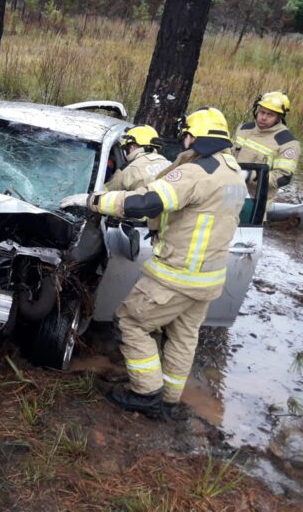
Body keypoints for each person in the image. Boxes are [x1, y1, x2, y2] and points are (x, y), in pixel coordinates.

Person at [71, 108, 246, 420]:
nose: (184, 141)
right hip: (208, 279)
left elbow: (145, 203)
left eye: (187, 135)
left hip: (176, 276)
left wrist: (93, 202)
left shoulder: (195, 172)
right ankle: (168, 398)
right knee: (182, 336)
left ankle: (146, 392)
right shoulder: (233, 172)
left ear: (195, 136)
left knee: (131, 322)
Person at [233, 91, 299, 207]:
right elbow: (229, 154)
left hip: (256, 200)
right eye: (262, 112)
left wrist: (249, 176)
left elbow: (283, 177)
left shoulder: (287, 143)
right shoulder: (244, 129)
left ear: (279, 117)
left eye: (270, 115)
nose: (264, 118)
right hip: (230, 191)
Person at [105, 125, 171, 192]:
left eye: (127, 148)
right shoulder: (167, 163)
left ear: (132, 147)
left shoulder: (128, 171)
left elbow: (105, 193)